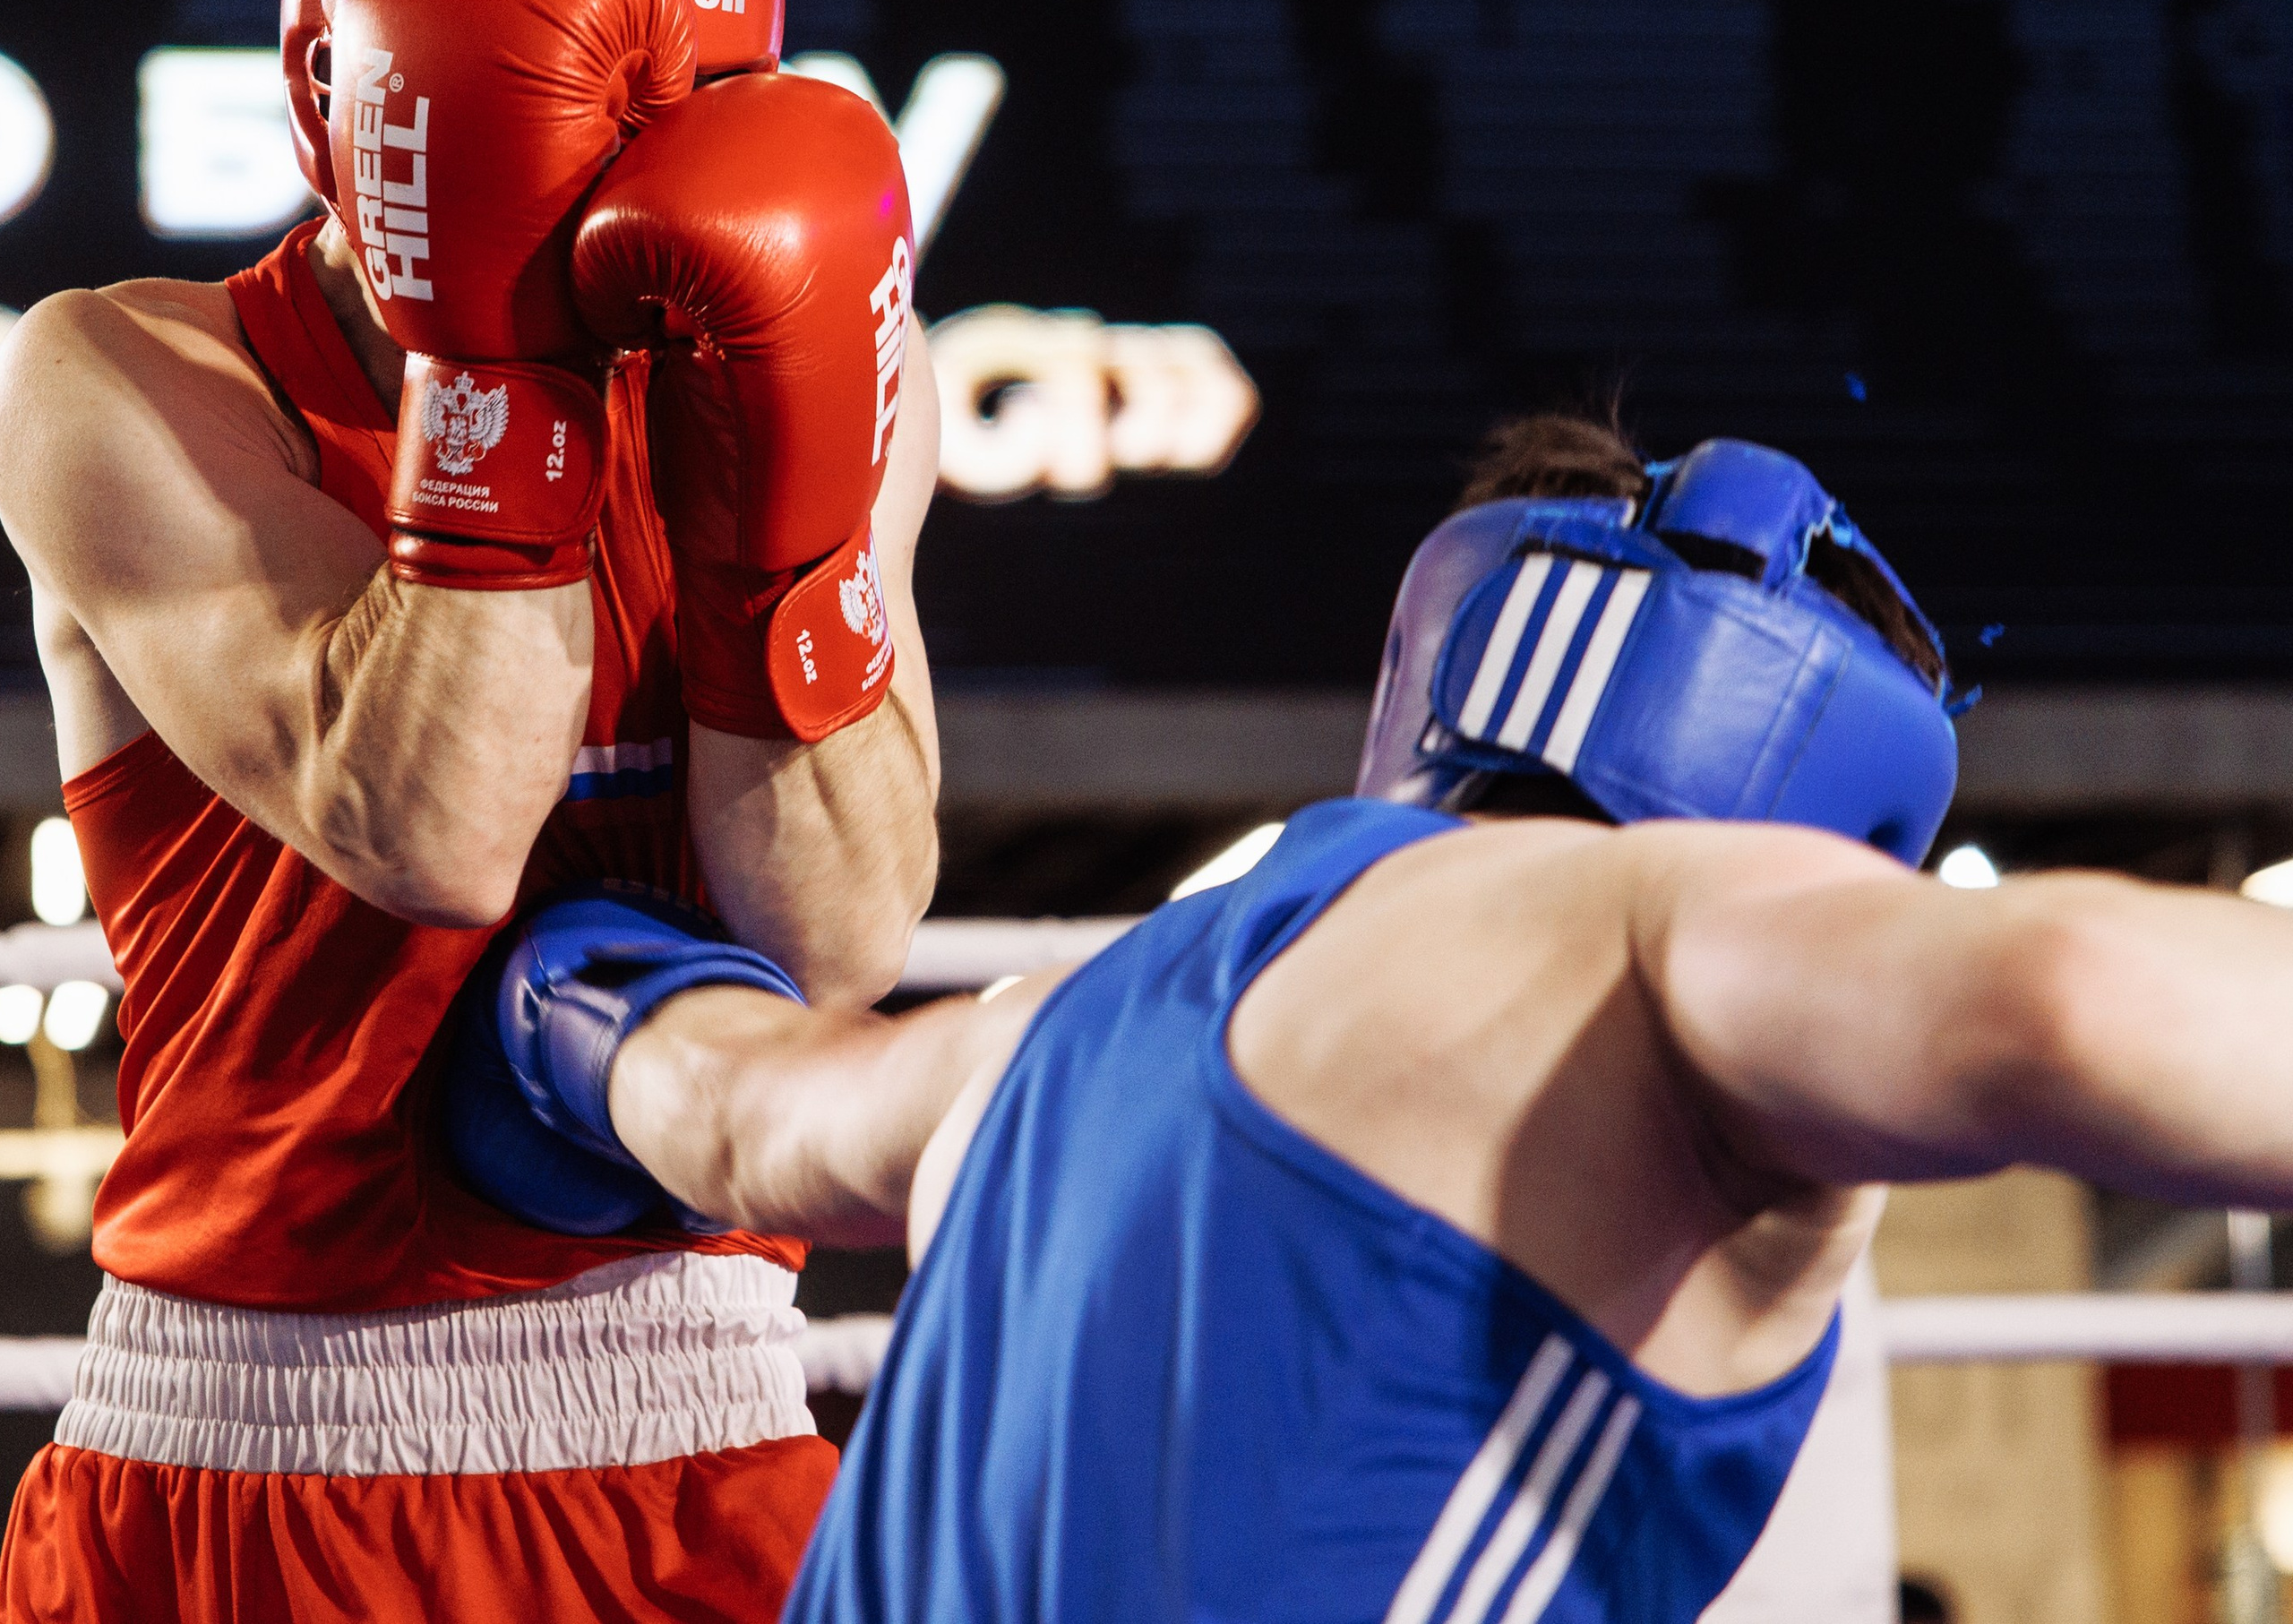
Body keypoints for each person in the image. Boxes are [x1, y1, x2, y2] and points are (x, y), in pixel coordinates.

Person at [461, 409, 2293, 1620]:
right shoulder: (1677, 939)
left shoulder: (1036, 1027)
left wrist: (533, 991)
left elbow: (715, 1092)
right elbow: (2070, 993)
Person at [0, 0, 936, 1624]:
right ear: (343, 86)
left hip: (702, 1425)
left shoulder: (813, 379)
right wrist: (495, 349)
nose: (607, 137)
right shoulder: (125, 381)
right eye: (547, 86)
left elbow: (833, 936)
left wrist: (774, 507)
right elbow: (424, 825)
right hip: (251, 1454)